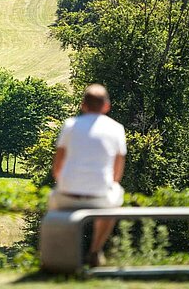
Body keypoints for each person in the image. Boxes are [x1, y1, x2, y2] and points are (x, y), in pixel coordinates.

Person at [49, 84, 126, 267]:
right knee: (116, 194)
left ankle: (58, 255)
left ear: (83, 105)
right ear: (107, 106)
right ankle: (95, 250)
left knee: (52, 202)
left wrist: (64, 183)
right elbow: (117, 172)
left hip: (66, 197)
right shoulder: (117, 129)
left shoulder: (70, 125)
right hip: (99, 198)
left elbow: (57, 165)